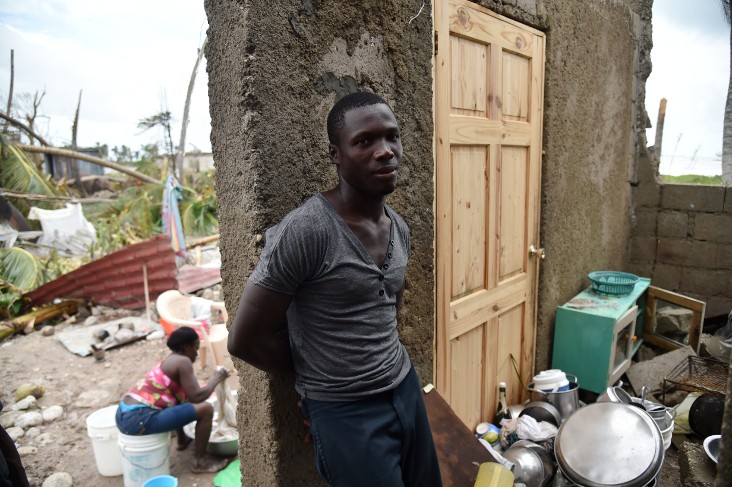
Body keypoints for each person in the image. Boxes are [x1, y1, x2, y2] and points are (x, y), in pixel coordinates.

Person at [228, 91, 442, 486]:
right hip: (346, 412)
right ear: (335, 155)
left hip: (404, 386)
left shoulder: (399, 228)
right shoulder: (308, 230)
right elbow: (244, 340)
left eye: (391, 137)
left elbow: (387, 308)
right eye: (364, 141)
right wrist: (318, 379)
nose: (385, 152)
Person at [116, 326, 230, 473]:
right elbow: (197, 397)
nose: (196, 353)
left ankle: (182, 441)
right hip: (139, 419)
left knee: (183, 402)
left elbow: (181, 400)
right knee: (206, 409)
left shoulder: (170, 360)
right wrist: (216, 379)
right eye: (195, 348)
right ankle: (200, 461)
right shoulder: (183, 361)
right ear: (186, 347)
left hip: (124, 414)